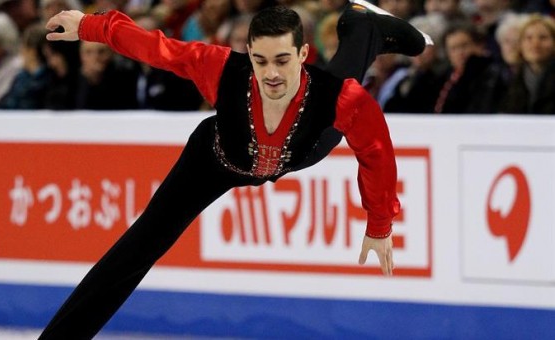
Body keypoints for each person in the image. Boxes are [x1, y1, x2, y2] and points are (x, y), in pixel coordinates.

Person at [40, 1, 427, 338]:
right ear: (248, 52)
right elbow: (158, 49)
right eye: (260, 60)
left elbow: (376, 153)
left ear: (303, 53)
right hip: (213, 160)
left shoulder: (342, 100)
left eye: (282, 60)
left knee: (339, 89)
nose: (271, 74)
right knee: (137, 247)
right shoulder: (222, 69)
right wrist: (91, 25)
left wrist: (380, 225)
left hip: (301, 150)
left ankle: (363, 26)